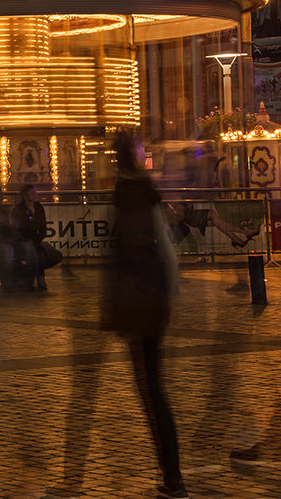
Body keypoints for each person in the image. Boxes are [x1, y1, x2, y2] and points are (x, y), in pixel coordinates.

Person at [101, 133, 186, 499]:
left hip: (138, 304)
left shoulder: (125, 198)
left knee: (151, 390)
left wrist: (116, 307)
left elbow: (124, 257)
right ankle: (172, 477)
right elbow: (165, 251)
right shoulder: (147, 193)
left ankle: (174, 478)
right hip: (153, 301)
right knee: (155, 389)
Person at [10, 184, 60, 290]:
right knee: (34, 252)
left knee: (52, 255)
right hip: (23, 241)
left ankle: (32, 275)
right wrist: (27, 240)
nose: (35, 195)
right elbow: (17, 229)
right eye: (32, 193)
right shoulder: (19, 210)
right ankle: (39, 276)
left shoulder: (38, 207)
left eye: (35, 193)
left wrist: (35, 240)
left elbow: (43, 228)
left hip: (35, 240)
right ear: (25, 195)